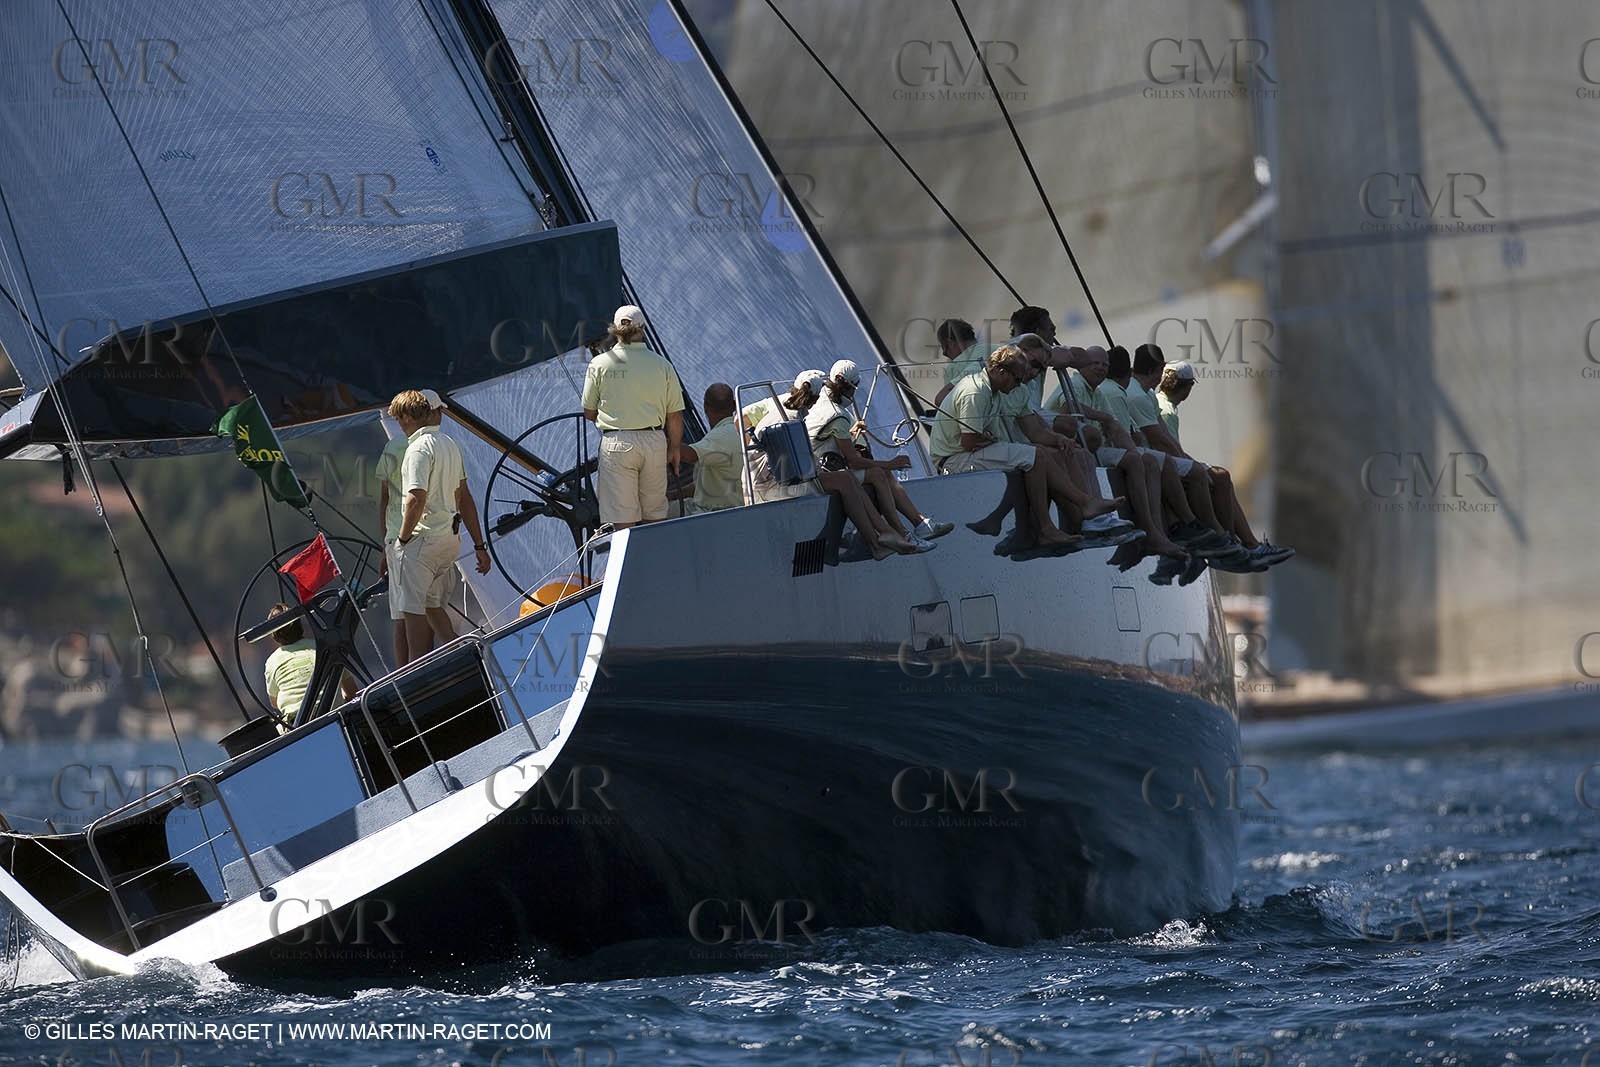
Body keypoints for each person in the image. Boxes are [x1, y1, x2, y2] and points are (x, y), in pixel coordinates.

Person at [1143, 356, 1295, 571]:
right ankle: (1234, 543)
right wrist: (1196, 466)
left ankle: (1240, 543)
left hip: (1166, 463)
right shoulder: (1166, 410)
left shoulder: (1164, 404)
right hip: (1166, 469)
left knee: (1222, 477)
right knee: (1221, 478)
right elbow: (1166, 447)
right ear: (1187, 387)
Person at [751, 370, 917, 558]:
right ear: (815, 399)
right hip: (769, 490)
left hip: (768, 482)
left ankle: (883, 534)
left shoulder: (783, 411)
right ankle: (879, 540)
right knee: (845, 480)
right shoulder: (792, 420)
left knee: (846, 478)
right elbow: (793, 468)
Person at [930, 345, 1081, 551]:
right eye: (1017, 379)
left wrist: (1058, 439)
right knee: (1035, 457)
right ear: (1001, 372)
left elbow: (1031, 432)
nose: (1019, 385)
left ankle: (1026, 526)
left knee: (1035, 457)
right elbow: (969, 442)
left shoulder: (994, 391)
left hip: (965, 453)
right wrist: (989, 440)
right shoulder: (976, 392)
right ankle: (1056, 522)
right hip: (954, 460)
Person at [391, 389, 490, 667]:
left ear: (409, 417)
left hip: (423, 541)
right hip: (450, 540)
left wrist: (402, 539)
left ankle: (416, 672)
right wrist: (479, 545)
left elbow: (416, 498)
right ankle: (465, 658)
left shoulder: (416, 449)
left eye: (399, 418)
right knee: (432, 605)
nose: (399, 424)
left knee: (412, 612)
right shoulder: (449, 444)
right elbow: (465, 497)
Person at [808, 359, 952, 546]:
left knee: (882, 473)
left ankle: (919, 524)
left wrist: (850, 433)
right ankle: (904, 533)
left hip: (817, 467)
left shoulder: (821, 400)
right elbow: (853, 461)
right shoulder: (838, 415)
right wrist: (892, 464)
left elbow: (825, 438)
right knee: (879, 473)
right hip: (820, 475)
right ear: (851, 388)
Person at [581, 305, 685, 528]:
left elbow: (589, 413)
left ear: (614, 330)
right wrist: (675, 449)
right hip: (654, 443)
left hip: (617, 443)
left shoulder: (599, 364)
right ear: (643, 329)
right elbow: (675, 416)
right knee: (655, 519)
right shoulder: (663, 365)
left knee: (622, 523)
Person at [263, 603, 356, 730]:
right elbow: (352, 692)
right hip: (333, 716)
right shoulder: (326, 647)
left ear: (274, 635)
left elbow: (274, 702)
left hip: (297, 724)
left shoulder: (272, 661)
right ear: (300, 626)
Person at [681, 383, 745, 512]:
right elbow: (706, 486)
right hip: (741, 508)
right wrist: (672, 495)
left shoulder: (720, 436)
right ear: (734, 405)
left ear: (705, 407)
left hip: (714, 513)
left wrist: (658, 440)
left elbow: (689, 455)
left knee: (653, 513)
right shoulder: (747, 429)